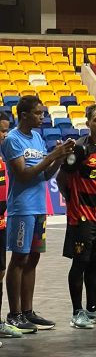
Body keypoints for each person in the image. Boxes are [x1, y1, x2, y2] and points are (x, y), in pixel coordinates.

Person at [3, 96, 75, 333]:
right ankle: (14, 314)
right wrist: (52, 156)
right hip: (21, 208)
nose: (42, 117)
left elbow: (44, 176)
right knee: (19, 259)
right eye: (37, 113)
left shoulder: (37, 137)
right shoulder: (12, 140)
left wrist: (59, 159)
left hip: (39, 208)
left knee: (33, 259)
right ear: (24, 115)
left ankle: (28, 311)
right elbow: (23, 174)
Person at [57, 105, 96, 329]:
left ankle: (92, 309)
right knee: (80, 263)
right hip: (81, 218)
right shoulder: (81, 149)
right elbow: (61, 179)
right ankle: (77, 312)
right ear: (88, 123)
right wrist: (72, 201)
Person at [0, 112, 21, 340]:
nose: (5, 135)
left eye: (6, 130)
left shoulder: (1, 158)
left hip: (1, 224)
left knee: (0, 273)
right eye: (1, 130)